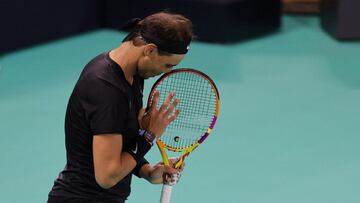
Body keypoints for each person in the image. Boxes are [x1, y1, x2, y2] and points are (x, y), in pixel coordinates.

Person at [47, 11, 194, 203]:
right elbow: (107, 176)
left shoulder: (132, 75)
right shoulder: (106, 89)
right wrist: (148, 136)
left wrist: (147, 171)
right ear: (149, 50)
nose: (166, 72)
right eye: (168, 65)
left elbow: (119, 145)